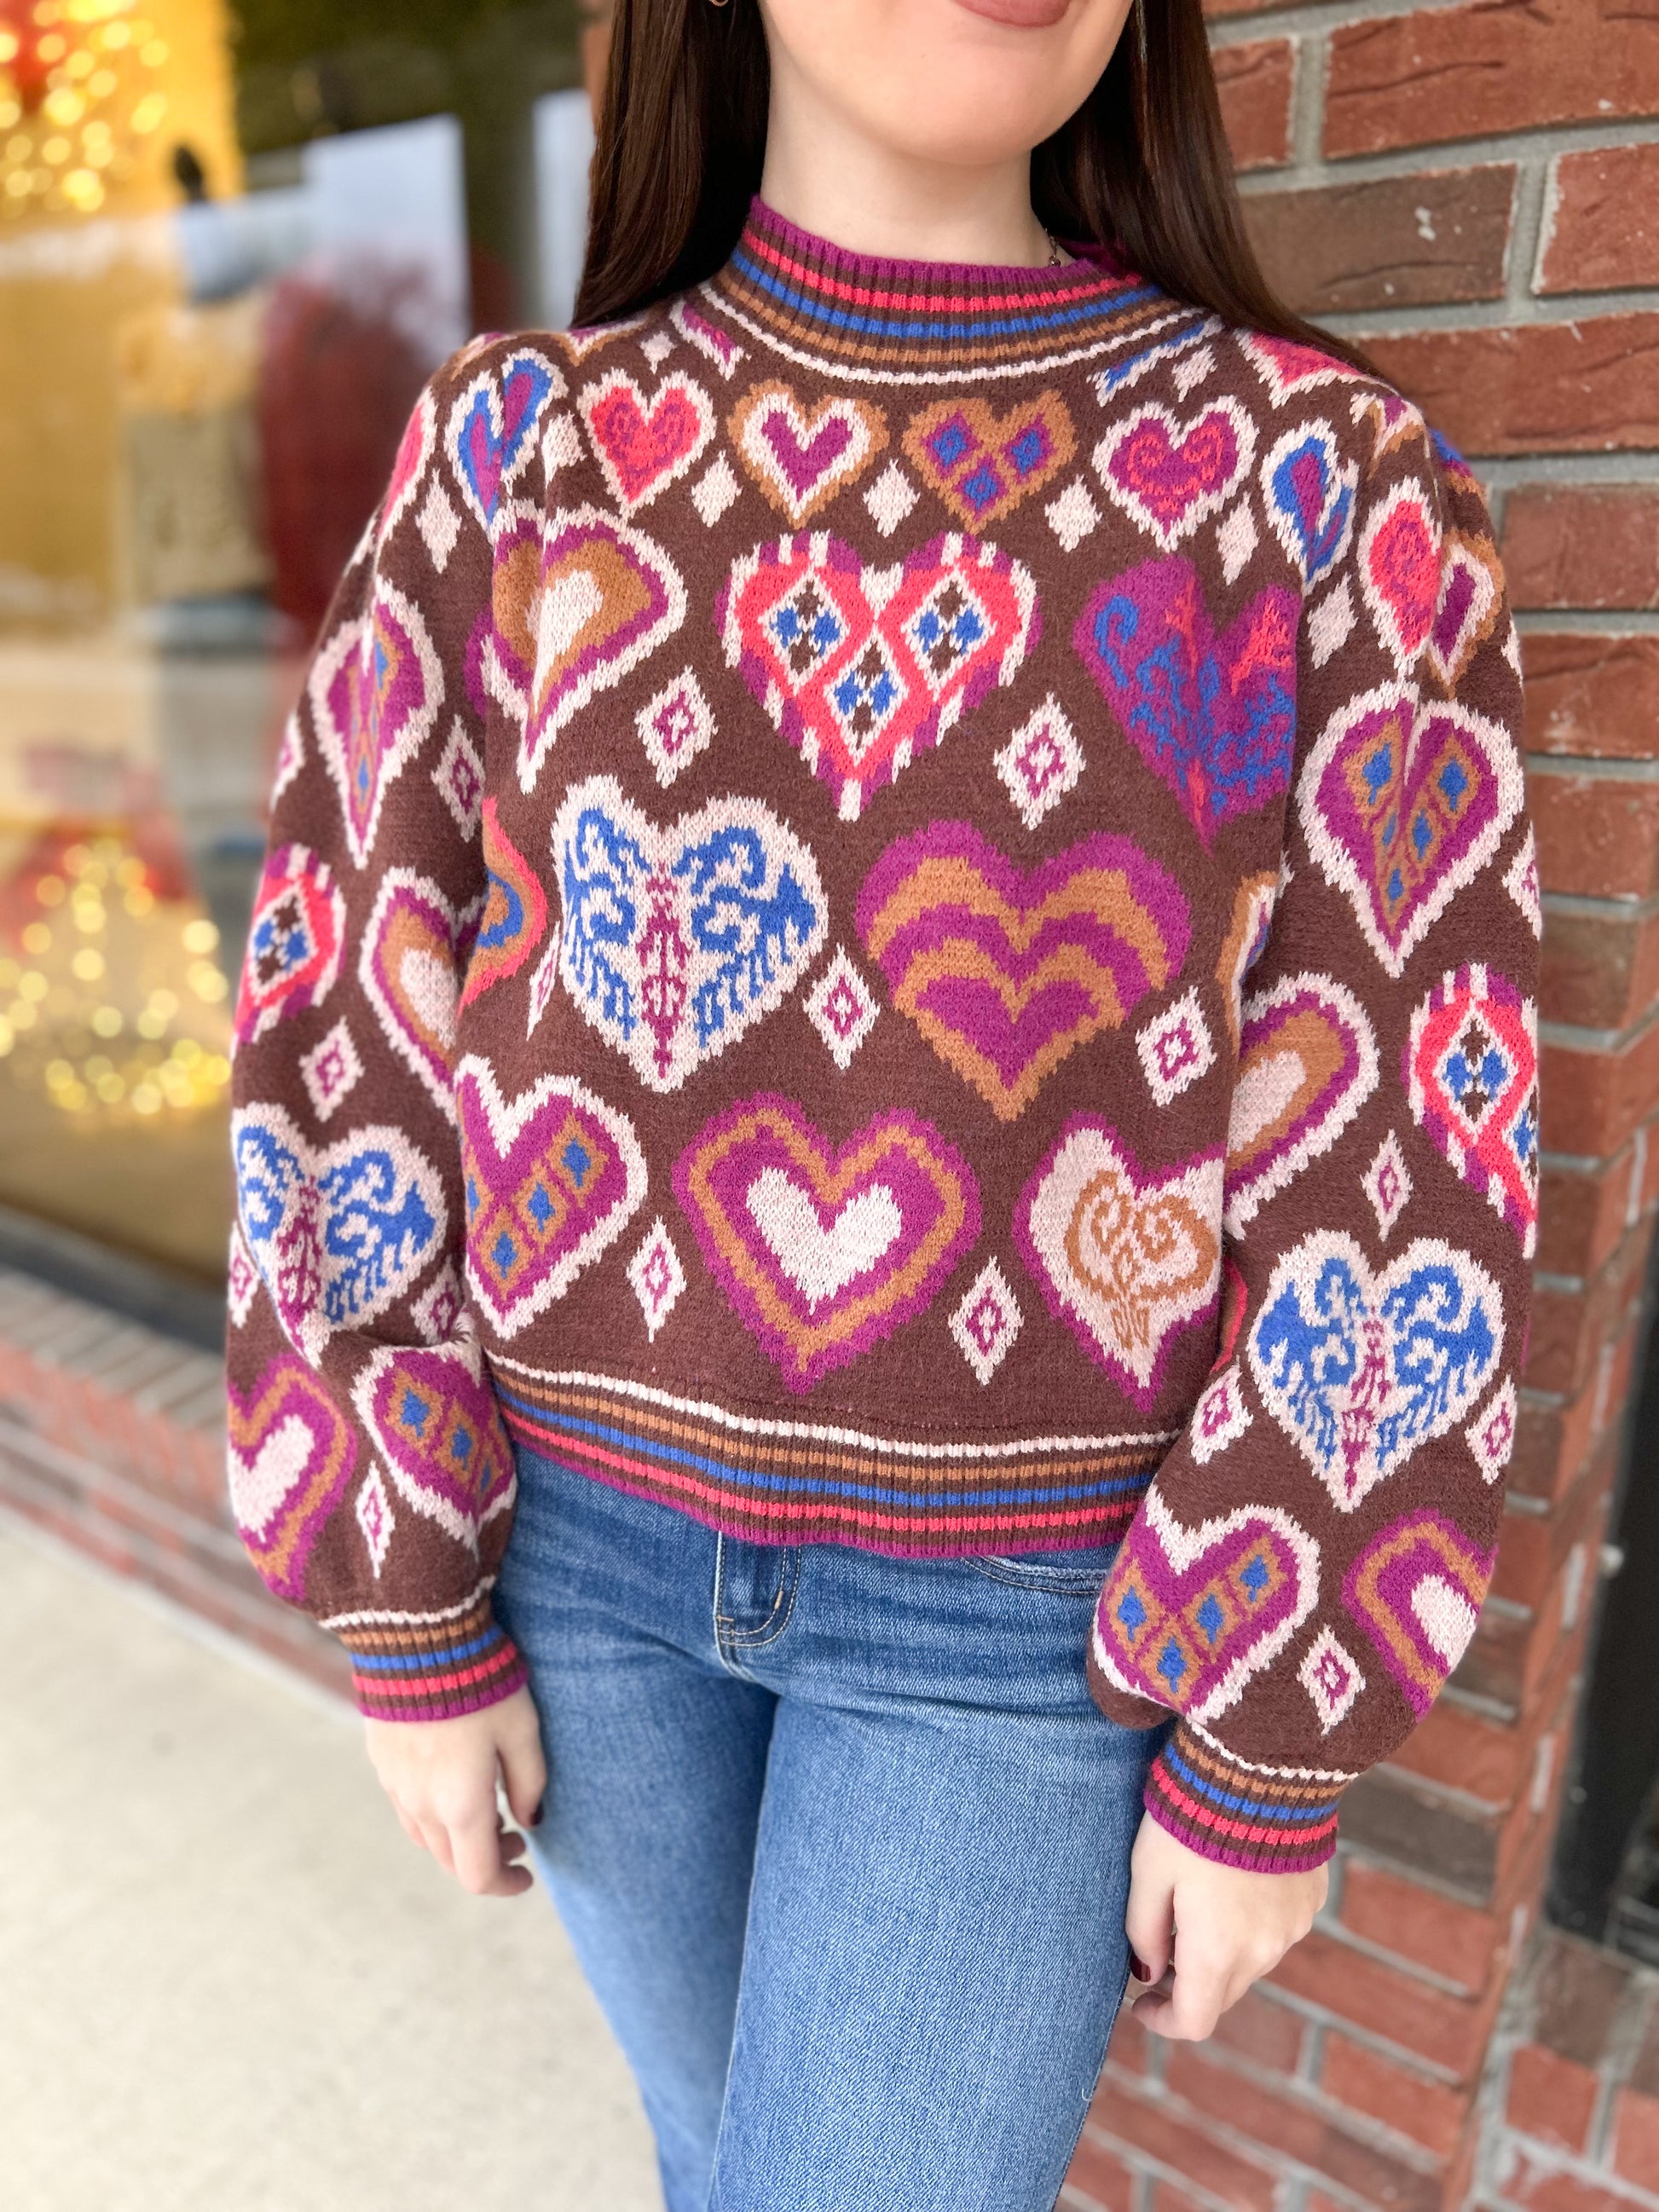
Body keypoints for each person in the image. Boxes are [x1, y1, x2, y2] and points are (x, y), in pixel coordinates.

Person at [224, 0, 1539, 2203]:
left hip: (1030, 1622)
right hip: (573, 1557)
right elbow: (351, 1002)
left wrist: (1279, 1705)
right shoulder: (514, 455)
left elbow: (1404, 1126)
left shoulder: (1320, 489)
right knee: (727, 2162)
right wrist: (400, 1573)